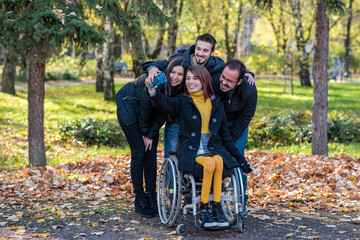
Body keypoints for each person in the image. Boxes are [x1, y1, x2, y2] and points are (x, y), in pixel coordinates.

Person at [146, 65, 253, 228]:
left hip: (212, 149)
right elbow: (164, 103)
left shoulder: (216, 103)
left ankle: (216, 208)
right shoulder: (183, 101)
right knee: (211, 162)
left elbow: (226, 136)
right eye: (188, 78)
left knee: (218, 160)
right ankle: (204, 209)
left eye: (195, 78)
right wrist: (153, 91)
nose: (190, 82)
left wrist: (242, 161)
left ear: (204, 80)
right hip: (191, 150)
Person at [142, 33, 255, 88]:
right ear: (195, 48)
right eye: (198, 49)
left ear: (212, 53)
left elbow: (231, 70)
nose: (200, 53)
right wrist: (152, 68)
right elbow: (157, 63)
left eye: (205, 51)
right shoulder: (179, 58)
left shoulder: (217, 64)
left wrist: (248, 74)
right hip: (174, 107)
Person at [218, 59, 258, 212]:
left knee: (238, 157)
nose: (224, 82)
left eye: (229, 81)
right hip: (218, 122)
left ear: (239, 81)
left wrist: (229, 141)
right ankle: (215, 198)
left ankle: (240, 201)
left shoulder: (250, 91)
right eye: (223, 77)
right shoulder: (216, 83)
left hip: (238, 124)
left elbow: (245, 118)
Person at [140, 57, 190, 159]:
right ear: (168, 71)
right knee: (140, 151)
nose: (175, 77)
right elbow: (146, 108)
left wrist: (150, 135)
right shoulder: (159, 80)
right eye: (173, 72)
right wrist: (145, 134)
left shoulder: (182, 89)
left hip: (157, 115)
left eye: (180, 74)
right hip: (133, 106)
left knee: (151, 152)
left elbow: (162, 112)